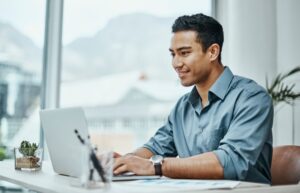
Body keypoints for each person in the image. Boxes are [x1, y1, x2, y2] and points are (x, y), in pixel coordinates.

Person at [113, 13, 273, 184]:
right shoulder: (182, 107)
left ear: (212, 52)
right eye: (173, 54)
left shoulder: (252, 98)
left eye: (184, 53)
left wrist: (155, 167)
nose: (176, 63)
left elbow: (230, 162)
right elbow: (155, 148)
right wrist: (123, 161)